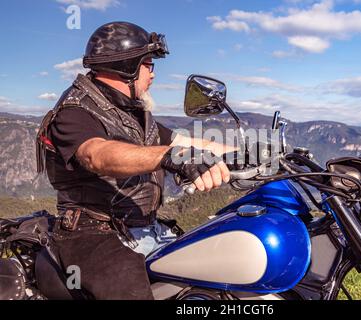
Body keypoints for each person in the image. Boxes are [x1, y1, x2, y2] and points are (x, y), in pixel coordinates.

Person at [36, 21, 233, 300]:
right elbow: (97, 154)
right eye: (148, 64)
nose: (153, 74)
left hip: (144, 227)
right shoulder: (75, 110)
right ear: (127, 67)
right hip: (92, 233)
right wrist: (171, 157)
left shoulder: (133, 114)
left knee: (210, 271)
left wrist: (251, 152)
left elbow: (186, 143)